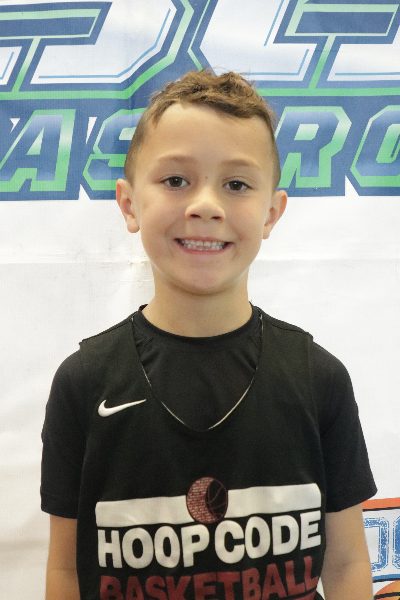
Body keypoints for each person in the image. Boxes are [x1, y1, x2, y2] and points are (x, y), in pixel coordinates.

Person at [41, 70, 376, 600]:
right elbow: (65, 571)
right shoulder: (83, 382)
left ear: (271, 213)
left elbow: (347, 563)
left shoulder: (320, 378)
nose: (206, 205)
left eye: (236, 184)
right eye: (176, 180)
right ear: (129, 204)